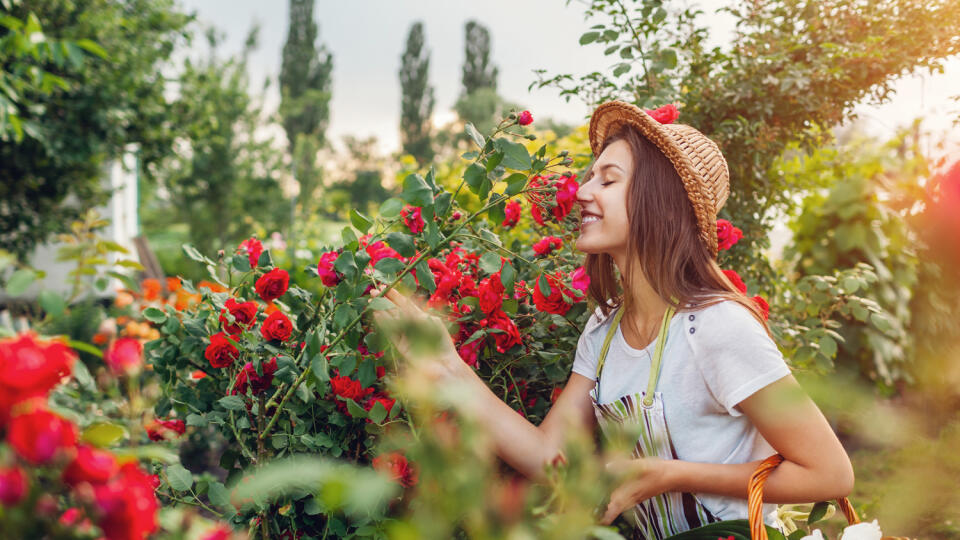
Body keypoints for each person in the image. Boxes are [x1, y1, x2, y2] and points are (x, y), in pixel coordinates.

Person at [371, 100, 854, 538]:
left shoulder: (716, 327)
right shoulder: (603, 330)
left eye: (608, 179)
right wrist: (450, 366)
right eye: (590, 177)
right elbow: (548, 457)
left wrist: (674, 474)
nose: (582, 191)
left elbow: (830, 473)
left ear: (658, 201)